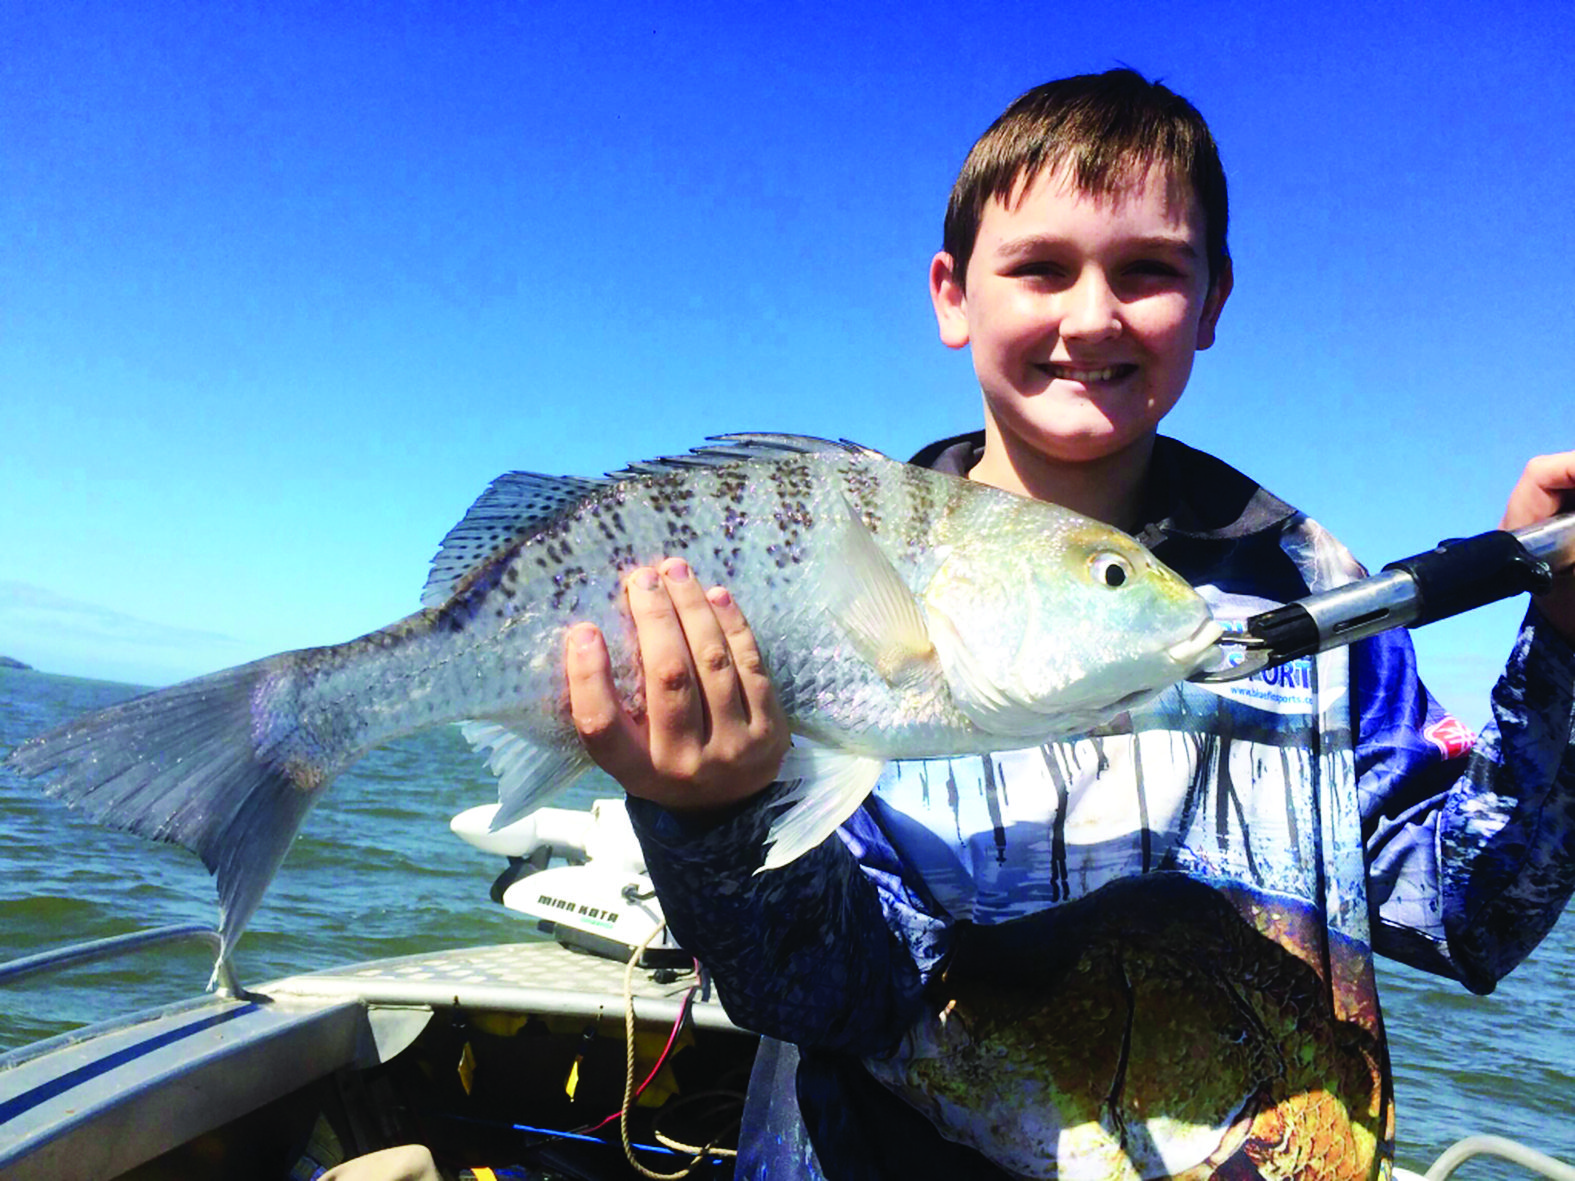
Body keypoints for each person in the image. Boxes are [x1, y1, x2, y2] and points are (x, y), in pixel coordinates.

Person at [562, 70, 1575, 1180]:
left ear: (1214, 298)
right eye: (1041, 266)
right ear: (952, 294)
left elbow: (1471, 909)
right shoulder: (855, 582)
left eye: (1148, 269)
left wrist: (1565, 638)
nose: (1092, 314)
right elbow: (823, 990)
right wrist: (708, 819)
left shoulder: (1314, 587)